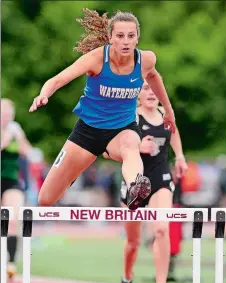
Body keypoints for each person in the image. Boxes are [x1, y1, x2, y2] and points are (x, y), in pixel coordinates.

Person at [29, 9, 176, 210]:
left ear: (137, 39)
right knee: (45, 199)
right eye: (120, 36)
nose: (126, 42)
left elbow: (154, 77)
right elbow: (58, 79)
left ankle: (136, 187)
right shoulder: (96, 59)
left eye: (131, 36)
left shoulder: (146, 60)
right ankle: (72, 173)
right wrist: (43, 94)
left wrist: (168, 110)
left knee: (131, 145)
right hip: (88, 131)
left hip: (122, 129)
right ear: (110, 38)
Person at [117, 81, 188, 283]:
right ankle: (127, 279)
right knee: (133, 242)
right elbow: (115, 148)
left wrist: (180, 156)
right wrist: (137, 149)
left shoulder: (166, 114)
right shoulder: (130, 118)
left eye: (154, 89)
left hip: (160, 181)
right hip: (135, 182)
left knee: (161, 228)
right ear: (138, 94)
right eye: (145, 88)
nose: (150, 92)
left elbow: (173, 132)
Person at [1, 98, 34, 278]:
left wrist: (21, 141)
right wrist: (5, 140)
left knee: (12, 219)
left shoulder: (15, 129)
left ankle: (11, 263)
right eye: (2, 114)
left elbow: (27, 151)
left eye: (8, 115)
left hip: (11, 180)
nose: (6, 118)